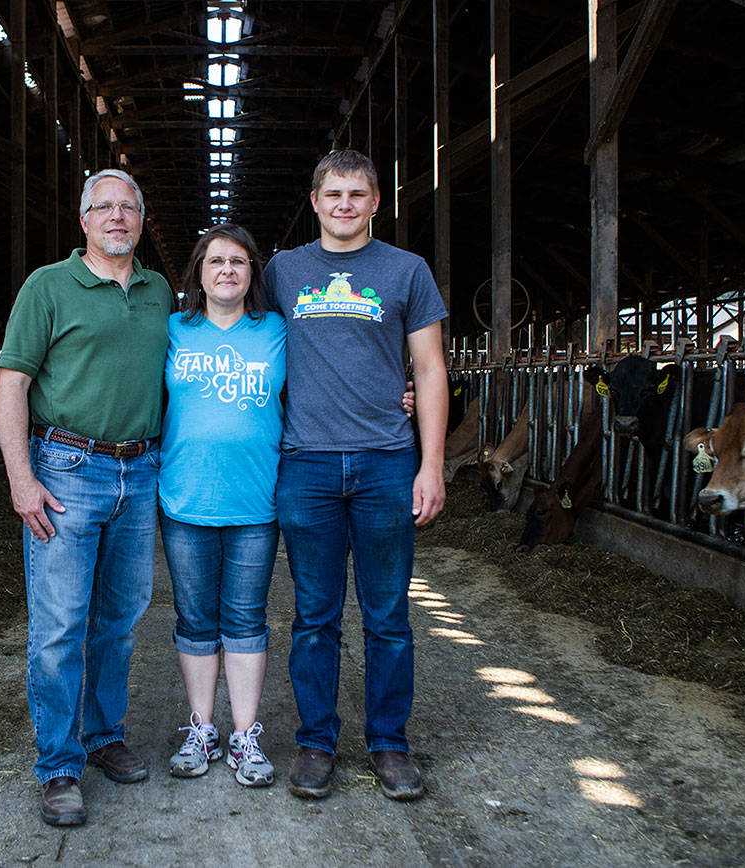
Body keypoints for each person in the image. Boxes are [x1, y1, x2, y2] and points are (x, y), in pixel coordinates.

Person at [263, 149, 448, 802]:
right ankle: (316, 742)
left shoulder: (406, 271)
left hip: (385, 464)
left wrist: (431, 464)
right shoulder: (282, 271)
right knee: (314, 615)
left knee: (388, 614)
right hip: (306, 463)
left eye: (357, 194)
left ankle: (389, 744)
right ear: (314, 202)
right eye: (332, 194)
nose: (344, 205)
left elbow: (428, 369)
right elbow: (247, 337)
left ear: (376, 202)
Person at [0, 168, 173, 827]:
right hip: (67, 467)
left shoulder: (159, 292)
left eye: (129, 207)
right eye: (105, 208)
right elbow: (12, 382)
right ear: (84, 220)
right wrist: (21, 478)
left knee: (120, 617)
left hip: (141, 469)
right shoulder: (47, 287)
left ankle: (103, 737)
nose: (118, 217)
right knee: (60, 624)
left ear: (141, 219)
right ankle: (60, 766)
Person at [158, 224, 286, 787]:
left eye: (239, 261)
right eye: (216, 262)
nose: (228, 270)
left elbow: (335, 371)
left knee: (245, 620)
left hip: (256, 502)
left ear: (253, 272)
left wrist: (395, 395)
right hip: (185, 499)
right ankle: (201, 728)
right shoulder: (172, 331)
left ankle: (245, 736)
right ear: (199, 273)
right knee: (195, 620)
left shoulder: (278, 331)